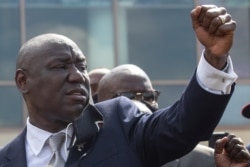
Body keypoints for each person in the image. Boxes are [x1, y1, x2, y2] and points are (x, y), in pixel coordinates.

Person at [0, 4, 237, 167]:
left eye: (81, 66)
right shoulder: (6, 159)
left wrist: (214, 59)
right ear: (23, 81)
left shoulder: (120, 122)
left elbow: (182, 126)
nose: (76, 76)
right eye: (60, 67)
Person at [97, 63, 216, 167]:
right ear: (100, 105)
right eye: (127, 97)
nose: (138, 104)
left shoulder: (205, 160)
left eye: (149, 96)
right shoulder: (84, 158)